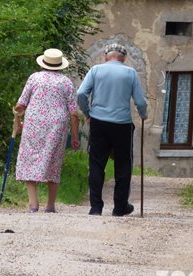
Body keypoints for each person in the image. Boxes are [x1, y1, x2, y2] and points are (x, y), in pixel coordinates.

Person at [77, 43, 148, 216]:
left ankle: (95, 207)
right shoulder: (130, 73)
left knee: (96, 163)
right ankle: (119, 207)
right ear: (124, 59)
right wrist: (143, 114)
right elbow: (140, 101)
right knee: (123, 165)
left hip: (99, 122)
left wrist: (88, 113)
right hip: (122, 125)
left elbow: (80, 94)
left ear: (105, 55)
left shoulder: (95, 70)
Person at [13, 48, 80, 213]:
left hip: (34, 123)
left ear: (44, 63)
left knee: (29, 158)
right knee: (54, 162)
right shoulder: (66, 82)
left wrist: (17, 116)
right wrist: (75, 136)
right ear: (60, 65)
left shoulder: (34, 78)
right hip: (57, 125)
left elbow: (21, 104)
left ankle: (33, 204)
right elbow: (73, 113)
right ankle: (50, 205)